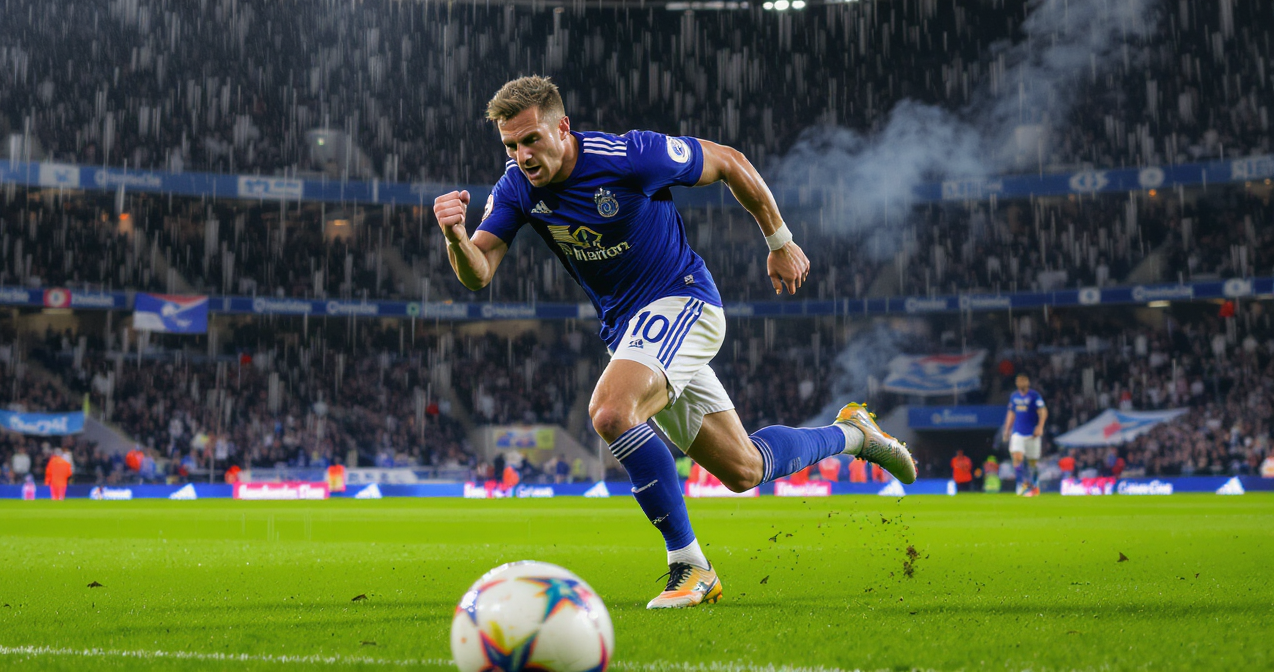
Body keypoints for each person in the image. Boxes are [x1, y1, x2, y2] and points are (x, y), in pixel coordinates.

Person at [431, 76, 915, 608]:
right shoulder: (516, 188)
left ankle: (690, 566)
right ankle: (853, 435)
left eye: (531, 140)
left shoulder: (629, 156)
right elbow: (477, 273)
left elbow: (728, 160)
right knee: (744, 468)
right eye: (511, 145)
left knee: (612, 412)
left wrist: (779, 240)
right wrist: (456, 237)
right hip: (630, 334)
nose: (522, 155)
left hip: (684, 301)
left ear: (563, 127)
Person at [1001, 374, 1048, 496]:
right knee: (1017, 457)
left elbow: (1043, 411)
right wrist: (1007, 430)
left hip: (1032, 434)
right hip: (1018, 433)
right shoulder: (1014, 396)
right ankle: (1021, 484)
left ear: (1027, 383)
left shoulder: (1034, 395)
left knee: (1033, 463)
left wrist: (1040, 427)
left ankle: (1034, 484)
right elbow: (1011, 413)